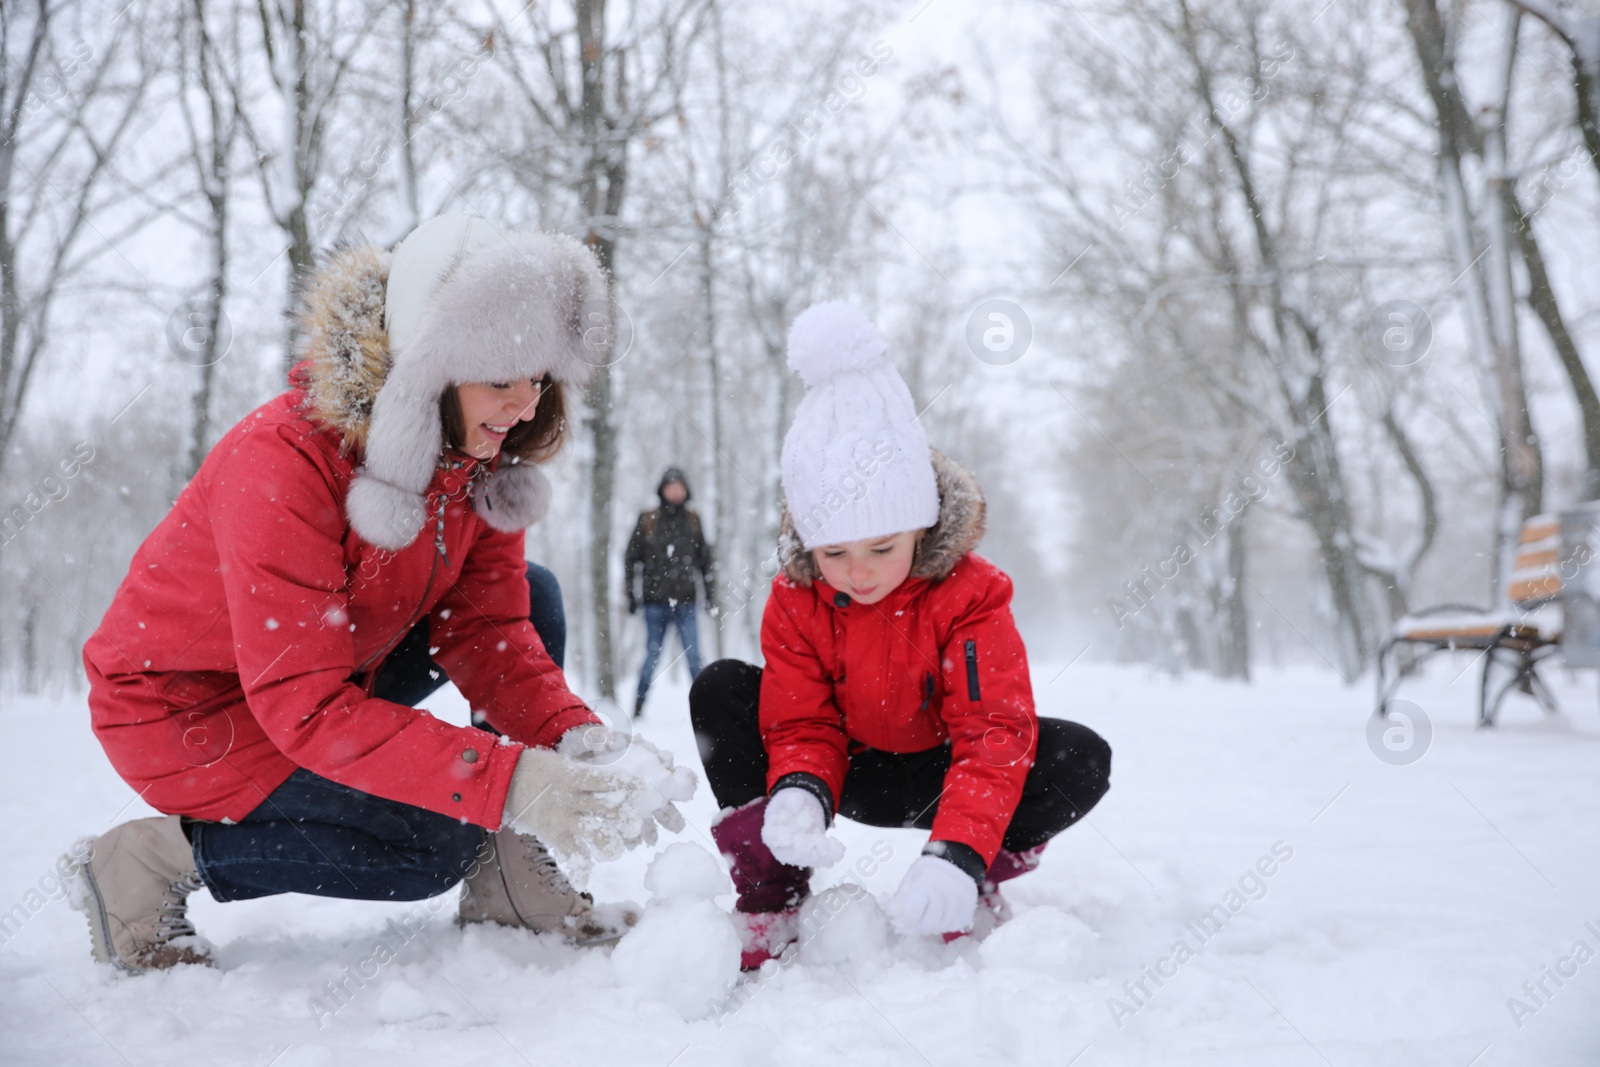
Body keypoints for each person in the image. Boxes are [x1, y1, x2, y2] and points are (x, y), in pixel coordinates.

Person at [71, 214, 692, 973]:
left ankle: (510, 877)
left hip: (324, 668)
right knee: (431, 845)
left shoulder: (478, 462)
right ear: (424, 368)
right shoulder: (282, 463)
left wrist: (576, 741)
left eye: (539, 378)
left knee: (535, 594)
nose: (526, 406)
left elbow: (487, 632)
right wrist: (511, 778)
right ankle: (146, 861)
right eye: (501, 379)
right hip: (186, 709)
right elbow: (304, 705)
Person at [689, 301, 1112, 968]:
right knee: (723, 690)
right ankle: (773, 886)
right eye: (833, 552)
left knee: (1077, 755)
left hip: (941, 772)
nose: (857, 572)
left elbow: (992, 732)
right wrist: (800, 787)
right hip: (849, 769)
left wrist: (958, 853)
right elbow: (801, 720)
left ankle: (960, 884)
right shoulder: (797, 599)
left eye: (882, 547)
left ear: (920, 525)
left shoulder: (970, 595)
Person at [624, 467, 716, 716]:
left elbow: (705, 561)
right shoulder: (648, 520)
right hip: (654, 604)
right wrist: (631, 595)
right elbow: (631, 558)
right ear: (662, 490)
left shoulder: (693, 520)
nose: (675, 491)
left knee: (694, 656)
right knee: (651, 656)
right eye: (671, 486)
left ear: (685, 490)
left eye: (679, 486)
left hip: (686, 603)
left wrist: (710, 596)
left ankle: (707, 706)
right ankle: (638, 705)